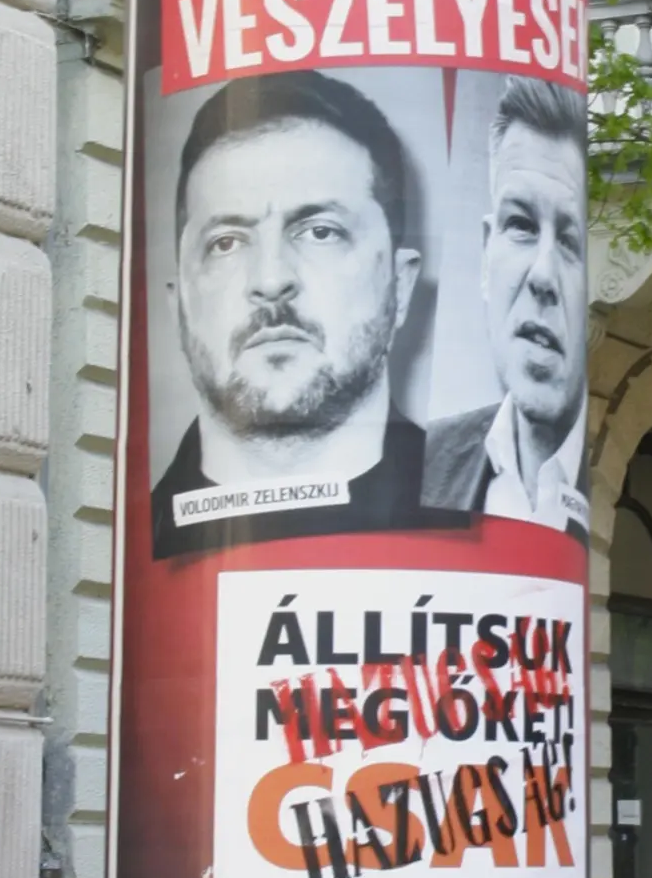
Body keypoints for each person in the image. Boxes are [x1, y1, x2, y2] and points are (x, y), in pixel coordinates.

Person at [151, 70, 427, 555]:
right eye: (226, 242)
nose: (271, 279)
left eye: (321, 232)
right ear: (179, 306)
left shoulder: (486, 506)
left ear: (399, 285)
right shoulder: (135, 544)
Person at [423, 77, 589, 535]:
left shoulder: (593, 483)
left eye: (569, 240)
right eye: (521, 225)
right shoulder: (431, 460)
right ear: (485, 255)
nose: (542, 276)